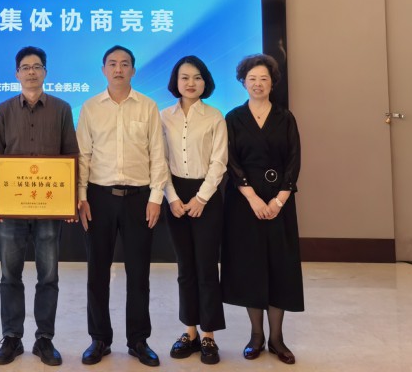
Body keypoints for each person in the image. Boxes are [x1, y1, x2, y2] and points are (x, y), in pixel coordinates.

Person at [0, 46, 79, 366]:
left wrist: (70, 199)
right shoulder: (3, 110)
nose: (31, 72)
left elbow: (71, 154)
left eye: (37, 66)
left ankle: (44, 339)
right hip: (11, 208)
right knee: (10, 275)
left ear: (45, 72)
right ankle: (12, 338)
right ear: (17, 74)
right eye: (25, 67)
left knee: (48, 276)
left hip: (50, 208)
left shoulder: (62, 109)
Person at [77, 45, 168, 367]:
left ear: (133, 70)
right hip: (99, 198)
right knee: (97, 271)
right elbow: (83, 156)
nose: (118, 69)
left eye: (125, 64)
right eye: (113, 64)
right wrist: (82, 197)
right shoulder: (90, 107)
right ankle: (99, 339)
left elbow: (158, 155)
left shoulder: (148, 106)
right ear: (103, 70)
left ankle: (138, 340)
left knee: (139, 273)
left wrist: (156, 198)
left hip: (139, 199)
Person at [221, 54, 303, 366]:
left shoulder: (286, 117)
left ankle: (277, 338)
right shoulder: (233, 118)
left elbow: (294, 159)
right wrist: (252, 198)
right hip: (244, 203)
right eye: (252, 79)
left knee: (280, 266)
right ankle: (256, 335)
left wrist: (279, 200)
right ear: (243, 82)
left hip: (280, 202)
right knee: (250, 266)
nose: (258, 84)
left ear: (272, 83)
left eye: (264, 79)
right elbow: (231, 161)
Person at [161, 56, 227, 365]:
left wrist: (201, 199)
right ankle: (190, 332)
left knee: (206, 267)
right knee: (185, 267)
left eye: (197, 77)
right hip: (175, 195)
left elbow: (219, 162)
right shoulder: (164, 117)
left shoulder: (215, 117)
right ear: (175, 81)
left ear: (205, 82)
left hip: (207, 196)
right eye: (184, 77)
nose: (190, 83)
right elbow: (159, 161)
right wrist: (172, 198)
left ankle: (209, 335)